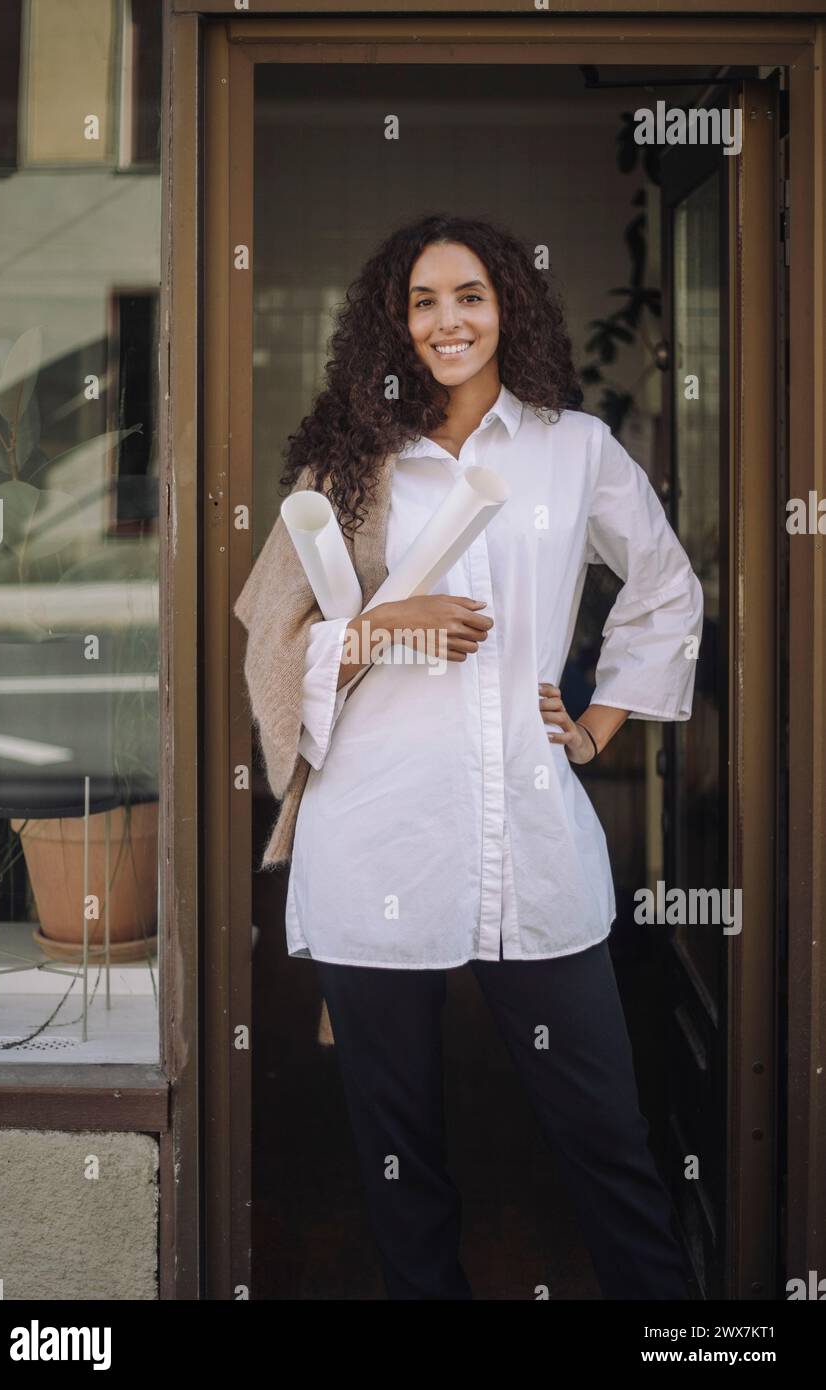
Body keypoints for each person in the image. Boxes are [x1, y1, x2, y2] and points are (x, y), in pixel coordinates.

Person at [235, 213, 703, 1300]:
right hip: (376, 839)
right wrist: (379, 630)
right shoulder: (349, 464)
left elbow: (667, 588)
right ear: (391, 326)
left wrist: (595, 725)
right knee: (403, 1174)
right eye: (422, 301)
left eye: (469, 295)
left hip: (529, 842)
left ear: (508, 308)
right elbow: (271, 639)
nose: (448, 320)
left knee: (607, 1147)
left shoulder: (570, 448)